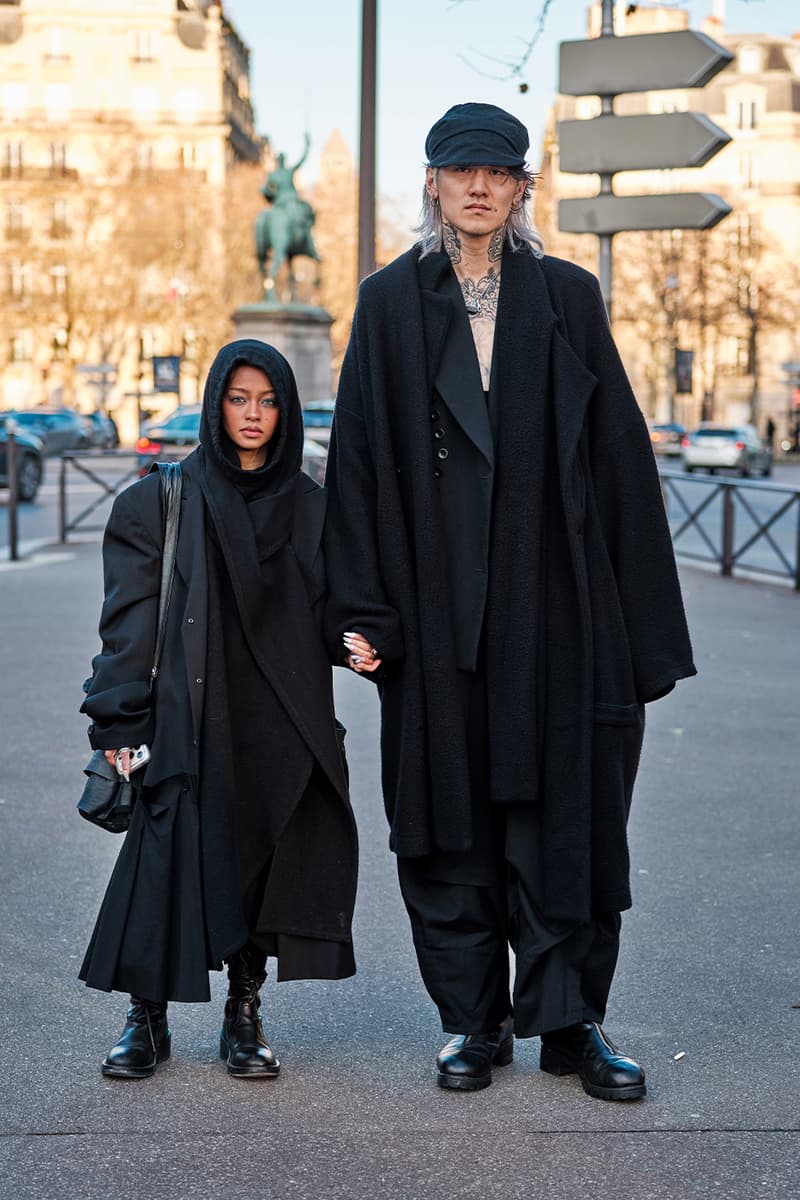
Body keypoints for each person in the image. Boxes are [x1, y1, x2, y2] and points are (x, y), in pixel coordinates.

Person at [324, 103, 696, 1101]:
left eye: (499, 172)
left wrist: (641, 634)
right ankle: (472, 1022)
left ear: (523, 187)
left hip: (558, 610)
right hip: (435, 613)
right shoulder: (389, 304)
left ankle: (571, 1022)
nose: (480, 187)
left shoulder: (566, 296)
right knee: (448, 822)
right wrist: (363, 615)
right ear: (433, 182)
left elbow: (618, 463)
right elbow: (356, 465)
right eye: (462, 171)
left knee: (568, 818)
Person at [80, 339, 356, 1080]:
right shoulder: (158, 501)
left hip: (279, 717)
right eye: (238, 399)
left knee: (257, 860)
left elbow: (336, 608)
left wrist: (363, 638)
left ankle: (244, 1012)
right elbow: (129, 624)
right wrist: (118, 719)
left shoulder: (312, 508)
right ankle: (146, 1016)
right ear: (215, 405)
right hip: (187, 712)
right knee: (162, 860)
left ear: (287, 411)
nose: (253, 414)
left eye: (268, 401)